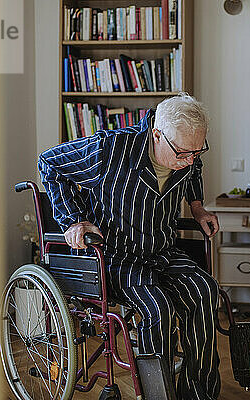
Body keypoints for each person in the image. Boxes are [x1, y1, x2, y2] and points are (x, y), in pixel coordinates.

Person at [38, 93, 221, 399]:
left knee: (204, 290)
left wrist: (198, 207)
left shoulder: (187, 152)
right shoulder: (111, 149)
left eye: (197, 152)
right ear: (157, 134)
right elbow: (51, 164)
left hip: (162, 250)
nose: (189, 161)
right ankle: (157, 395)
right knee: (157, 307)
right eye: (183, 154)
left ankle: (198, 392)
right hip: (119, 257)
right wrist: (73, 221)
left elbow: (194, 169)